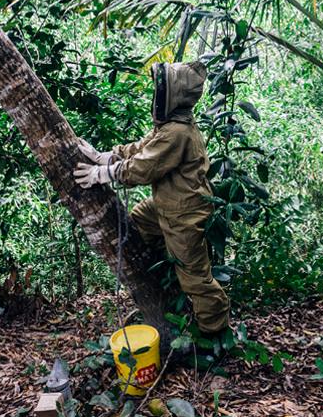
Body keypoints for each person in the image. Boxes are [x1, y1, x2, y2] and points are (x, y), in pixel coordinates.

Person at [73, 60, 230, 335]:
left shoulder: (178, 133)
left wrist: (102, 173)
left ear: (174, 95)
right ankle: (168, 283)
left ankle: (214, 335)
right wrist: (105, 156)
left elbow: (144, 167)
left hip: (186, 213)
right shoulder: (172, 126)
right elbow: (142, 148)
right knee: (136, 225)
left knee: (196, 280)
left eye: (161, 88)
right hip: (166, 206)